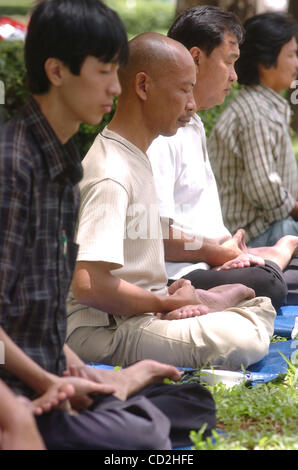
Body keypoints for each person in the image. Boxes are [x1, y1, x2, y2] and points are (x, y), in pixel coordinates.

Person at [0, 0, 216, 450]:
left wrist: (69, 367)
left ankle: (115, 393)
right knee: (144, 433)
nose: (116, 88)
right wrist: (45, 382)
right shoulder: (15, 165)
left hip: (53, 370)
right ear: (57, 71)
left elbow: (35, 307)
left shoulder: (59, 163)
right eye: (104, 72)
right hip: (19, 389)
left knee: (192, 404)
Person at [66, 31, 276, 375]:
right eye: (183, 89)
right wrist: (163, 302)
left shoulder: (138, 153)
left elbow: (151, 232)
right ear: (143, 86)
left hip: (146, 310)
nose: (192, 104)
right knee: (243, 337)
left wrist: (172, 290)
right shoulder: (111, 172)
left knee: (261, 300)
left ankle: (201, 302)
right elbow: (88, 284)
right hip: (104, 329)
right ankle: (204, 305)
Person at [147, 5, 297, 309]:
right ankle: (277, 255)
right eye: (229, 63)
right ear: (195, 58)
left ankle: (275, 257)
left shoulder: (194, 124)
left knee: (277, 274)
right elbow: (156, 235)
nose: (234, 75)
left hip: (213, 259)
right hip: (183, 274)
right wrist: (216, 253)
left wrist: (232, 251)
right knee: (270, 282)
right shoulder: (161, 132)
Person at [208, 12, 298, 247]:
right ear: (266, 61)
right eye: (291, 54)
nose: (296, 63)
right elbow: (264, 187)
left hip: (272, 226)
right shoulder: (256, 113)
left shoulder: (264, 106)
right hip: (256, 236)